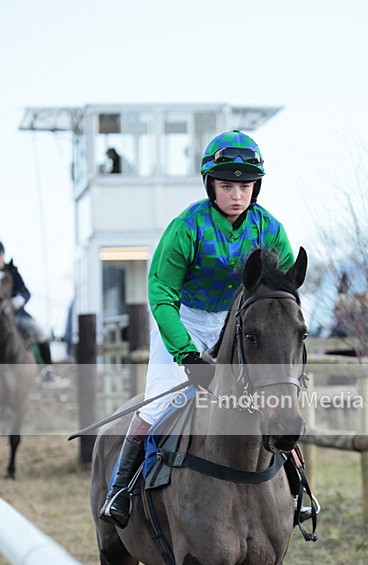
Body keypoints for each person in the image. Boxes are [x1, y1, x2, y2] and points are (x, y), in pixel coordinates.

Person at [100, 130, 319, 529]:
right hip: (182, 318)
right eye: (227, 185)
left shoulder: (269, 229)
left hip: (236, 320)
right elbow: (161, 293)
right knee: (157, 403)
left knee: (271, 399)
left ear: (257, 187)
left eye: (245, 185)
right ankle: (121, 487)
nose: (237, 194)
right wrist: (187, 356)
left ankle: (299, 486)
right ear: (210, 185)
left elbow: (284, 292)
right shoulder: (186, 228)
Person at [0, 241, 63, 383]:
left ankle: (48, 368)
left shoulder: (12, 272)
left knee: (41, 331)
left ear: (3, 256)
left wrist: (17, 301)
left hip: (16, 316)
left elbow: (25, 292)